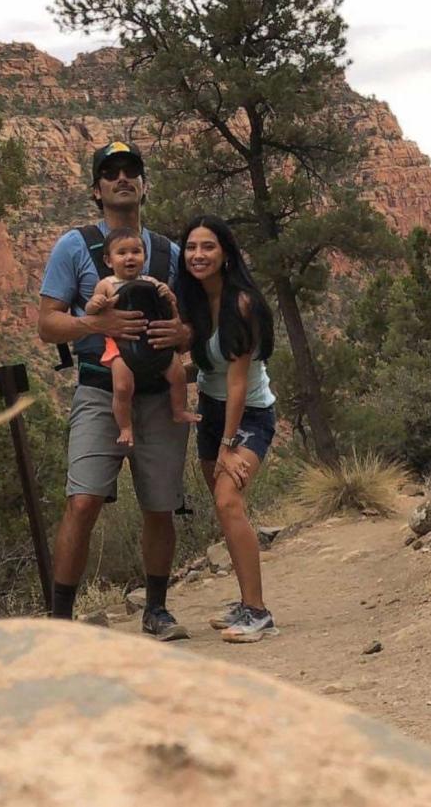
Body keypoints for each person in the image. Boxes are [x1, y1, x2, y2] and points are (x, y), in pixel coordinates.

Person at [37, 140, 191, 640]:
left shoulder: (167, 251)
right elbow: (47, 324)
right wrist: (97, 323)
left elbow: (190, 323)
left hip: (158, 393)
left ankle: (157, 609)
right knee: (82, 500)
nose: (122, 179)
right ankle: (60, 621)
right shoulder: (74, 247)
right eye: (111, 173)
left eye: (131, 171)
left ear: (143, 183)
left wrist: (182, 336)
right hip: (100, 390)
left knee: (159, 503)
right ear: (97, 189)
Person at [176, 214, 279, 643]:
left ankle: (258, 613)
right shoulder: (196, 303)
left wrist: (227, 445)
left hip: (248, 415)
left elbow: (238, 384)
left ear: (226, 254)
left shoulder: (242, 305)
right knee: (224, 507)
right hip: (211, 412)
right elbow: (202, 368)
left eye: (208, 247)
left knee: (228, 499)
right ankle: (245, 601)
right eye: (191, 248)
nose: (198, 255)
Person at [84, 227, 200, 447]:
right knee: (122, 387)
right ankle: (126, 427)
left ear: (144, 257)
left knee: (177, 373)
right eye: (122, 253)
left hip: (152, 342)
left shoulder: (153, 281)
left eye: (136, 252)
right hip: (120, 345)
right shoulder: (107, 284)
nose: (130, 257)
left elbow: (170, 305)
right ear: (109, 260)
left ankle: (178, 410)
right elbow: (92, 310)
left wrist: (168, 294)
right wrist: (97, 304)